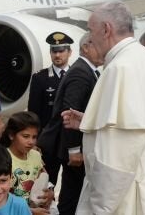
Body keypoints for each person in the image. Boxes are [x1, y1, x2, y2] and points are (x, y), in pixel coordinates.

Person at [61, 1, 145, 215]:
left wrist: (99, 207)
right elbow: (133, 124)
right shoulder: (140, 57)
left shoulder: (122, 67)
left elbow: (119, 157)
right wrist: (90, 121)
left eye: (91, 31)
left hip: (129, 197)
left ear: (106, 29)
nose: (89, 38)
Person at [37, 32, 103, 215]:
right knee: (71, 195)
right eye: (99, 45)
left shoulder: (86, 70)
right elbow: (69, 113)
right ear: (87, 47)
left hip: (72, 145)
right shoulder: (81, 73)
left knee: (72, 193)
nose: (103, 49)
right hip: (72, 147)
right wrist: (74, 150)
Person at [0, 112, 54, 214]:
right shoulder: (3, 158)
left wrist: (50, 192)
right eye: (25, 136)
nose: (31, 142)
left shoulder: (36, 156)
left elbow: (43, 177)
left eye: (34, 137)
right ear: (11, 135)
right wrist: (31, 211)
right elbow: (0, 198)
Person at [28, 31, 73, 130]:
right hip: (47, 134)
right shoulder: (39, 78)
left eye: (61, 51)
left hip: (71, 135)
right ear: (50, 52)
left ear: (69, 52)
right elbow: (33, 113)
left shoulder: (76, 76)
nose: (57, 55)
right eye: (54, 51)